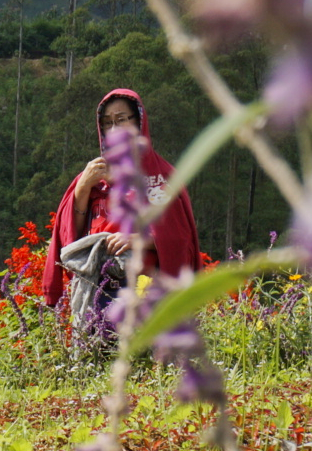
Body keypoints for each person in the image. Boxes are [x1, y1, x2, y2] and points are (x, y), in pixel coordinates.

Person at [42, 88, 200, 310]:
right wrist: (83, 188)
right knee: (95, 345)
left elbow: (180, 240)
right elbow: (69, 237)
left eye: (121, 119)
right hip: (95, 290)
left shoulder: (161, 176)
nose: (114, 128)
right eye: (107, 122)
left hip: (144, 292)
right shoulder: (93, 175)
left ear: (139, 121)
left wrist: (138, 239)